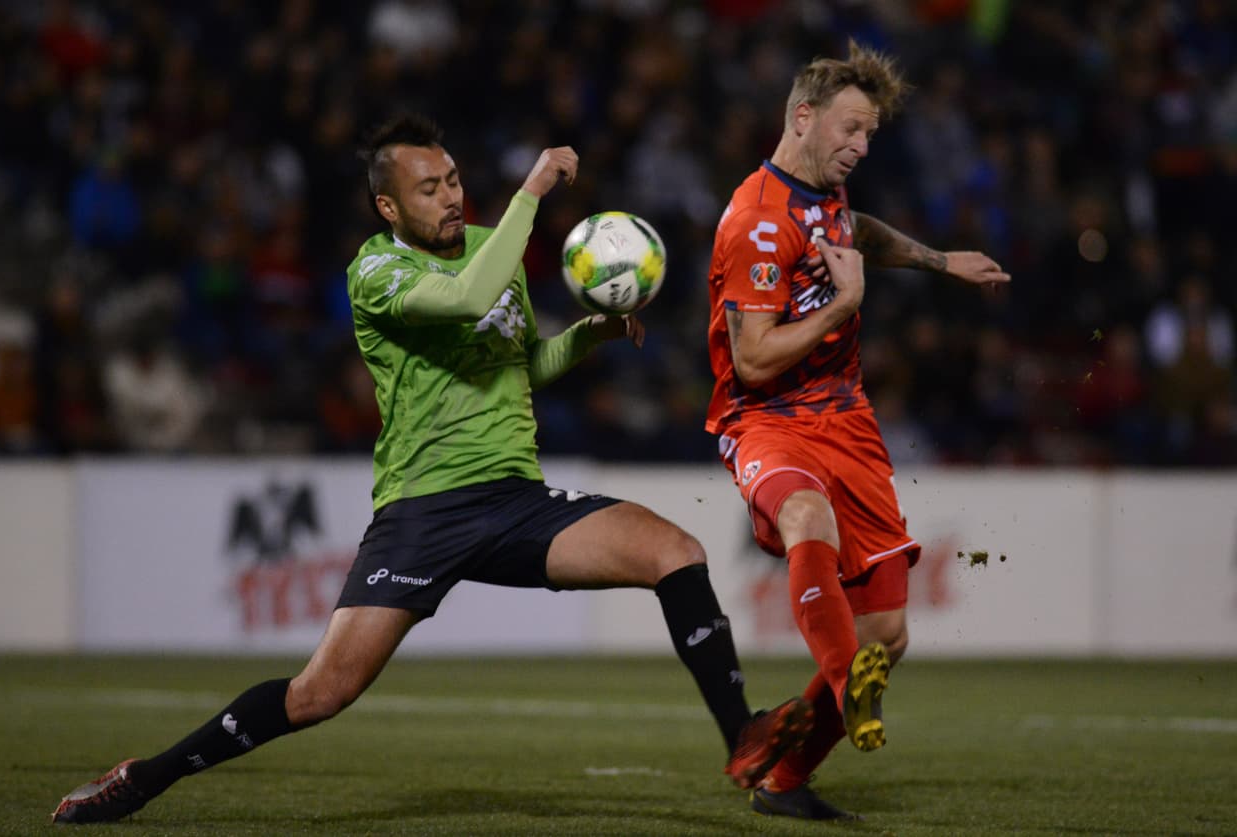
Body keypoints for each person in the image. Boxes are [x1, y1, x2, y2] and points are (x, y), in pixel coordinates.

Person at [51, 114, 812, 825]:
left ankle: (743, 737)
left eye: (451, 180)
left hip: (517, 500)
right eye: (428, 188)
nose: (450, 197)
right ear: (388, 206)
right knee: (320, 693)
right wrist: (533, 193)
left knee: (675, 552)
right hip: (423, 512)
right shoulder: (374, 271)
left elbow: (516, 366)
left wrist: (588, 336)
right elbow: (467, 295)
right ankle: (145, 777)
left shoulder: (492, 244)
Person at [704, 42, 1009, 820]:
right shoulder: (757, 222)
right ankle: (845, 680)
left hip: (849, 421)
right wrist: (843, 308)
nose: (860, 147)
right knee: (809, 518)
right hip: (766, 419)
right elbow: (754, 357)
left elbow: (856, 231)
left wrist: (940, 261)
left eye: (869, 134)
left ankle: (784, 774)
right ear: (802, 118)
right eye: (849, 130)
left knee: (889, 632)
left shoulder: (823, 195)